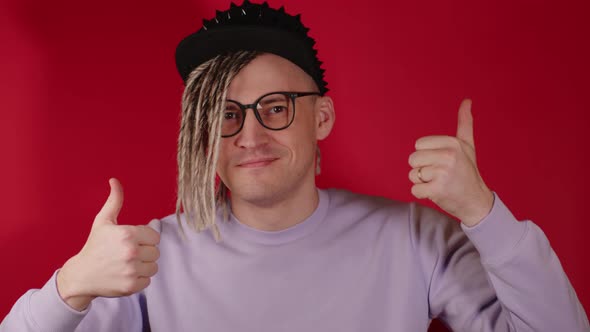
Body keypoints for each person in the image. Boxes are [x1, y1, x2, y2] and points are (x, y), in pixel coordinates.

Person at [1, 1, 589, 331]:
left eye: (275, 108)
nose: (249, 134)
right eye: (225, 115)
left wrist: (484, 214)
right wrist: (72, 284)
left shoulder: (414, 239)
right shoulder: (152, 255)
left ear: (322, 118)